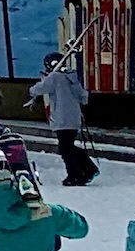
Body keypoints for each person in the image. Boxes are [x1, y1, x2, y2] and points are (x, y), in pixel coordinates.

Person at [28, 52, 98, 186]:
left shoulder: (55, 77)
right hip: (74, 118)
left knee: (66, 150)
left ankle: (76, 174)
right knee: (68, 147)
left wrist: (34, 88)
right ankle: (86, 169)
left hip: (61, 118)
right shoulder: (72, 77)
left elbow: (38, 89)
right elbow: (84, 97)